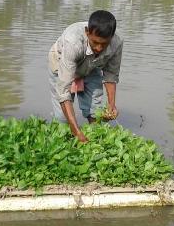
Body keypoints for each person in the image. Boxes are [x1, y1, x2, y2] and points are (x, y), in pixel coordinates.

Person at [48, 10, 123, 142]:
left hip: (92, 65)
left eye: (104, 44)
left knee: (96, 110)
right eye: (95, 42)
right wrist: (76, 131)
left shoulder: (117, 42)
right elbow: (64, 91)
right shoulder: (73, 42)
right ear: (87, 32)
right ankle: (67, 139)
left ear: (111, 37)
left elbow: (111, 75)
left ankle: (94, 139)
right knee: (62, 119)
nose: (99, 48)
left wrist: (112, 105)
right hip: (62, 62)